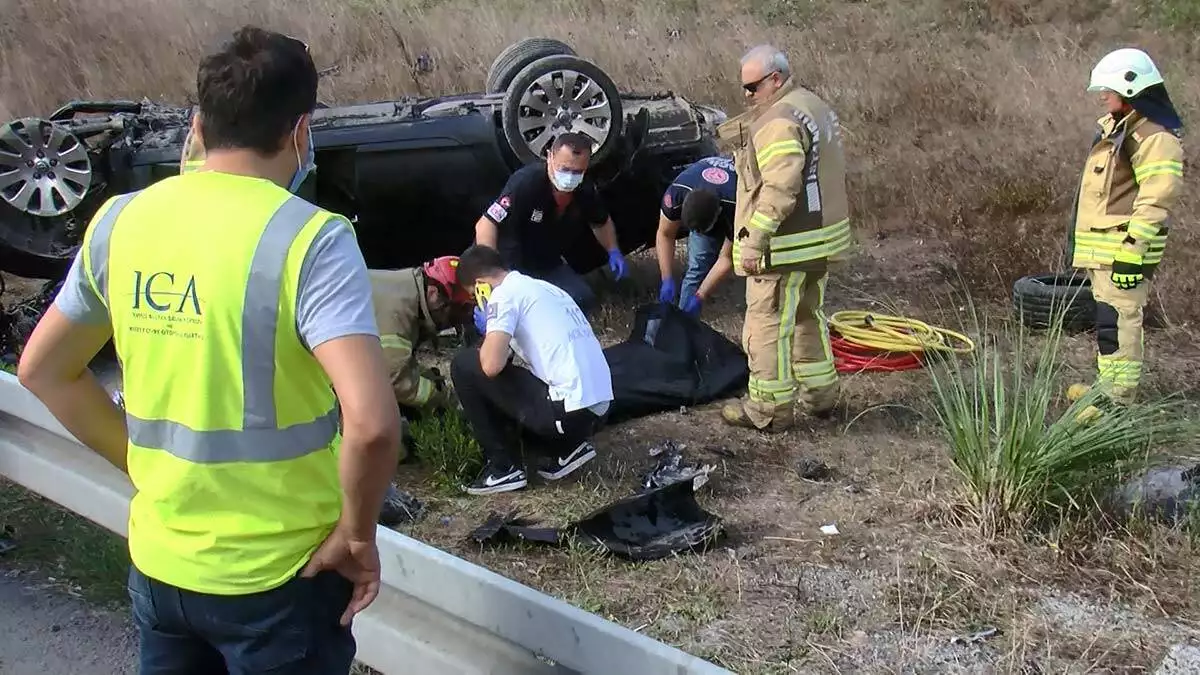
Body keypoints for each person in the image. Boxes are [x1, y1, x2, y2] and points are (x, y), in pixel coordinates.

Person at [16, 26, 402, 674]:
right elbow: (371, 423)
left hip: (162, 567)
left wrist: (142, 463)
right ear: (300, 132)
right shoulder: (312, 240)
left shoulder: (120, 221)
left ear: (198, 123)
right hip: (282, 574)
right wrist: (358, 535)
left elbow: (44, 369)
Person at [716, 45, 853, 433]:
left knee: (766, 324)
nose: (747, 96)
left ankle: (768, 410)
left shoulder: (778, 121)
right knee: (808, 315)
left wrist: (755, 239)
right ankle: (821, 395)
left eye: (753, 87)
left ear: (775, 79)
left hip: (785, 247)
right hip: (818, 242)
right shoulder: (811, 104)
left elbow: (780, 189)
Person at [1065, 47, 1185, 409]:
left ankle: (1117, 403)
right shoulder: (1118, 129)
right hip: (1106, 251)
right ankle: (1108, 388)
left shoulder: (1153, 138)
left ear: (1130, 89)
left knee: (1119, 323)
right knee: (1108, 323)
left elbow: (1157, 198)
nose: (1101, 95)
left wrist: (1132, 252)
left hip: (1124, 251)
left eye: (1108, 88)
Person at [450, 244, 613, 495]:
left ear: (481, 284)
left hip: (568, 411)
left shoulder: (503, 296)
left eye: (474, 295)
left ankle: (504, 468)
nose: (477, 302)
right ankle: (567, 448)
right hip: (596, 407)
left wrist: (488, 325)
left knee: (463, 365)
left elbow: (491, 366)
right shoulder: (544, 288)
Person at [473, 132, 629, 314]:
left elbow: (600, 222)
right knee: (515, 309)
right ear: (550, 157)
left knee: (582, 300)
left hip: (545, 263)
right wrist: (491, 272)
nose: (570, 177)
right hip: (510, 263)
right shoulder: (526, 183)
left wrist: (613, 250)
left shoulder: (584, 189)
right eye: (565, 169)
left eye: (578, 171)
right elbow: (486, 224)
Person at [370, 255, 475, 418]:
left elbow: (398, 359)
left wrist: (423, 374)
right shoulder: (400, 312)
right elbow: (395, 378)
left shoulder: (407, 289)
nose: (451, 323)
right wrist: (441, 397)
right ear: (434, 294)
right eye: (455, 312)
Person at [655, 156, 738, 316]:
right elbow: (665, 234)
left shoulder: (737, 206)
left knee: (705, 256)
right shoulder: (676, 193)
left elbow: (727, 258)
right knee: (698, 265)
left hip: (731, 200)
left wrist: (701, 295)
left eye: (702, 230)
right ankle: (682, 322)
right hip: (703, 185)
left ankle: (686, 322)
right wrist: (667, 278)